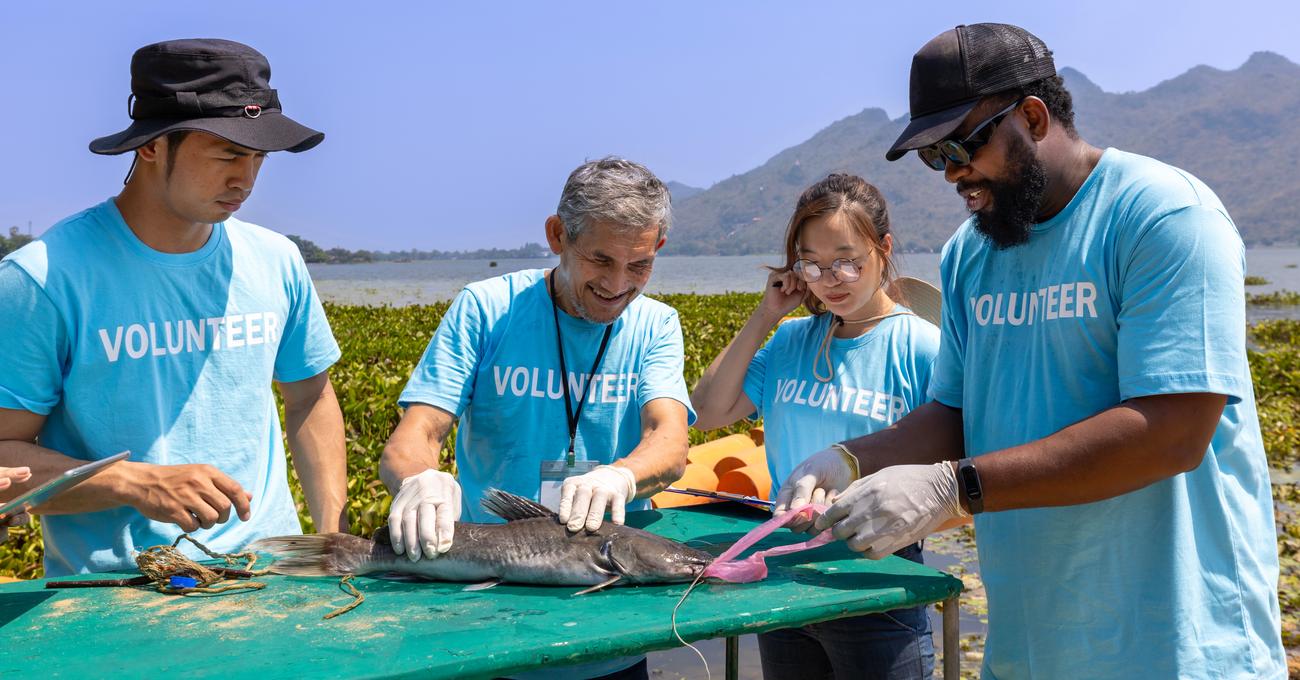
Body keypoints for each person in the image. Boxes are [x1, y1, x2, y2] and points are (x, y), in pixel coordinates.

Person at [776, 23, 1286, 678]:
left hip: (1177, 645)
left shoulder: (1162, 217)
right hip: (1032, 645)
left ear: (1035, 116)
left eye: (962, 145)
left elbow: (1175, 430)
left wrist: (953, 488)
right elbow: (955, 412)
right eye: (936, 157)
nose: (955, 173)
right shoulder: (972, 253)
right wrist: (852, 458)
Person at [0, 39, 347, 576]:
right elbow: (4, 454)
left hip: (269, 577)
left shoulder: (276, 260)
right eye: (228, 154)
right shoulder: (43, 278)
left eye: (258, 158)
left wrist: (330, 536)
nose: (246, 180)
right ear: (151, 147)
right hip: (114, 593)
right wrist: (134, 483)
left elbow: (309, 398)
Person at [379, 157, 694, 680]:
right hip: (491, 608)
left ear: (657, 246)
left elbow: (670, 440)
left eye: (638, 265)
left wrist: (623, 474)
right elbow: (417, 434)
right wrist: (418, 480)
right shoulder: (485, 307)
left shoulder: (657, 324)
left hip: (611, 610)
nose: (618, 285)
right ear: (557, 235)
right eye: (601, 259)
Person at [691, 173, 938, 679]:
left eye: (848, 261)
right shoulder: (789, 341)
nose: (831, 279)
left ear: (883, 249)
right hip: (782, 569)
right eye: (814, 264)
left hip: (878, 578)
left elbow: (948, 460)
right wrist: (765, 315)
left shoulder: (920, 346)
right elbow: (709, 411)